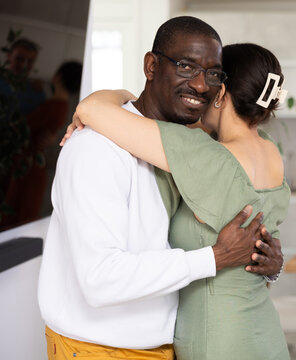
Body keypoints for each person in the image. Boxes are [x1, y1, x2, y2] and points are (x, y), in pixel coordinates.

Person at [39, 17, 283, 360]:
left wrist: (267, 259)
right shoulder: (95, 148)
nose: (200, 85)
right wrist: (214, 257)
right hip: (100, 349)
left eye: (213, 73)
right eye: (186, 66)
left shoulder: (195, 146)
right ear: (151, 66)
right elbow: (100, 278)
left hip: (171, 346)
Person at [1, 61, 82, 228]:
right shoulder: (61, 106)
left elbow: (22, 127)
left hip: (28, 166)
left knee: (17, 215)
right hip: (31, 165)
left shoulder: (55, 106)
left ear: (57, 76)